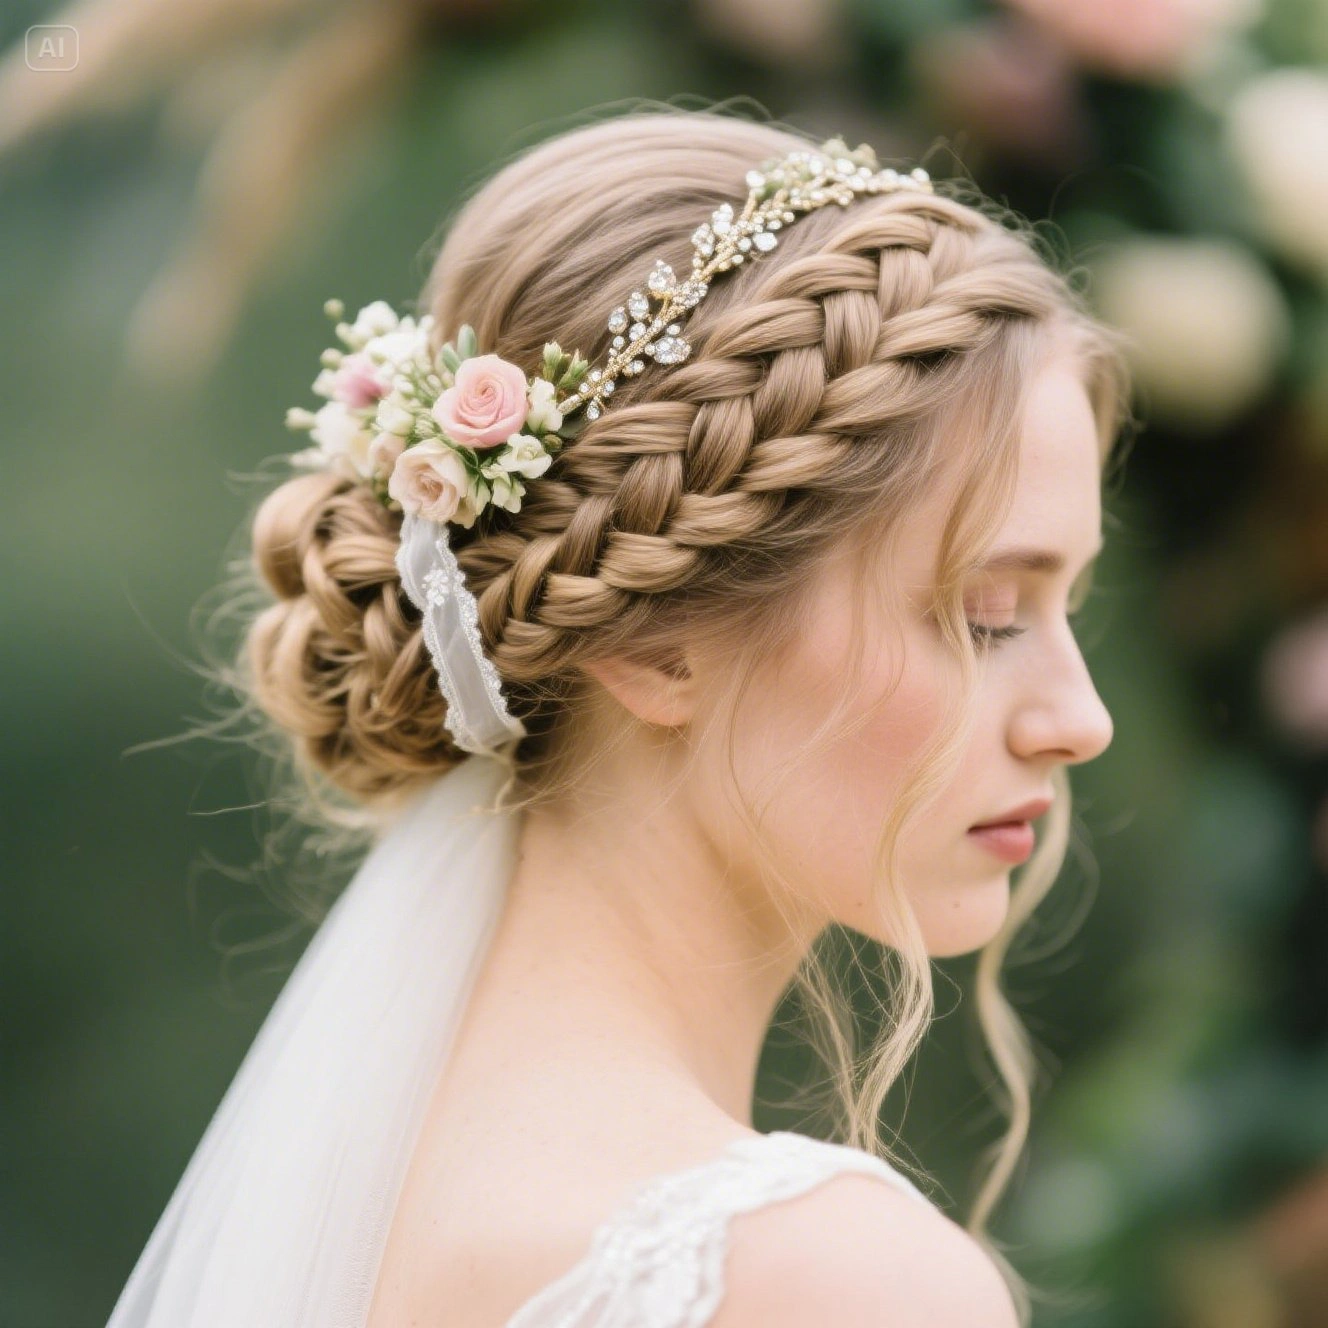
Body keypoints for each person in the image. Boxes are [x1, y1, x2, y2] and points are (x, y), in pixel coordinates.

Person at [107, 108, 1132, 1328]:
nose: (1078, 721)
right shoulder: (829, 1281)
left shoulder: (351, 1208)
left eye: (1066, 605)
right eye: (983, 612)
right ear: (656, 641)